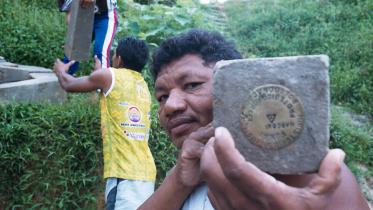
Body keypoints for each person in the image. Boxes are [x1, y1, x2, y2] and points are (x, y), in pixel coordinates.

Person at [138, 29, 370, 210]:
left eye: (192, 85)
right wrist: (179, 180)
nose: (170, 106)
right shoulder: (184, 176)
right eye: (162, 96)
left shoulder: (310, 178)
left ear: (240, 85)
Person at [53, 36, 156, 210]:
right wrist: (100, 74)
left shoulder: (109, 75)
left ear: (119, 58)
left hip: (124, 176)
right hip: (146, 174)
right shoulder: (143, 85)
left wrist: (60, 70)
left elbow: (68, 84)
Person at [58, 0, 118, 75]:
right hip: (83, 12)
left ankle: (102, 84)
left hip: (106, 14)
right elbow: (69, 14)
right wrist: (72, 37)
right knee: (74, 50)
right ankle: (65, 79)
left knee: (100, 51)